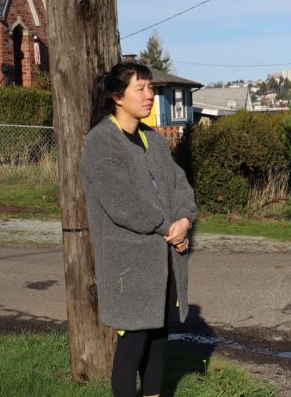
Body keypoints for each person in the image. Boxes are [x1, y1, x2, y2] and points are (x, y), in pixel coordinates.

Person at [80, 61, 196, 397]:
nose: (150, 96)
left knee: (159, 341)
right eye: (141, 89)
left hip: (163, 261)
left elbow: (180, 186)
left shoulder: (154, 141)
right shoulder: (102, 143)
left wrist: (184, 221)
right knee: (134, 344)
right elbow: (122, 203)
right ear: (118, 96)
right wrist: (167, 228)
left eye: (150, 88)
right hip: (128, 265)